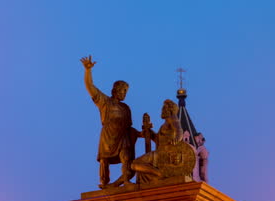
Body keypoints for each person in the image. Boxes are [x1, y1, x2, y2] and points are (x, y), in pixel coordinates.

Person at [81, 55, 140, 189]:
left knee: (126, 156)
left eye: (126, 91)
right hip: (108, 136)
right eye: (123, 90)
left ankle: (126, 180)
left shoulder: (126, 108)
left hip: (122, 137)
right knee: (104, 160)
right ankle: (104, 183)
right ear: (115, 90)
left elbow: (129, 128)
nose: (125, 93)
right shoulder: (105, 102)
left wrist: (142, 133)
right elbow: (90, 87)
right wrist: (88, 70)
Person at [131, 99, 196, 184]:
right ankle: (156, 175)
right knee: (136, 165)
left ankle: (159, 173)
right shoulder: (165, 123)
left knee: (135, 164)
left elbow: (179, 130)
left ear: (169, 109)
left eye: (164, 108)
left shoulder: (172, 118)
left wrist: (177, 139)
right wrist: (150, 134)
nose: (162, 110)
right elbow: (159, 141)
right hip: (161, 152)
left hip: (164, 154)